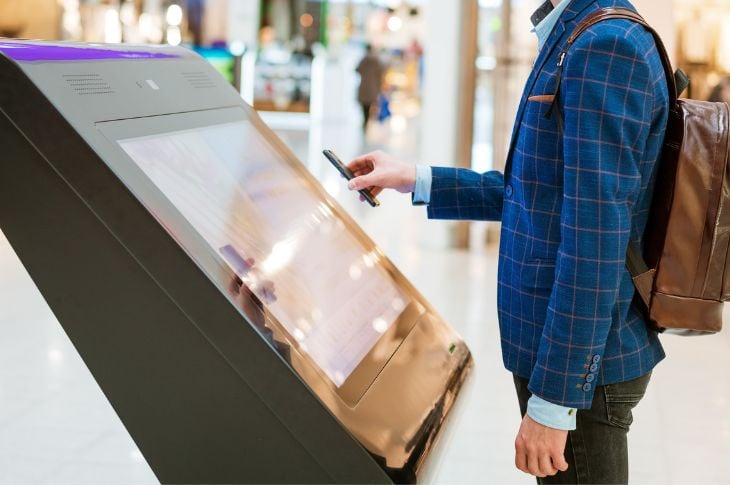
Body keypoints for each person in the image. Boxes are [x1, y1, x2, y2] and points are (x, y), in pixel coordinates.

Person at [346, 0, 669, 483]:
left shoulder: (605, 45)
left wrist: (557, 402)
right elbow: (535, 193)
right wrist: (414, 177)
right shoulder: (578, 32)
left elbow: (594, 239)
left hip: (584, 368)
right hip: (568, 351)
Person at [356, 44, 385, 130]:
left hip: (364, 87)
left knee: (364, 106)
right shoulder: (376, 61)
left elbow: (357, 69)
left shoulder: (364, 60)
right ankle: (366, 121)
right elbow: (381, 73)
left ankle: (364, 121)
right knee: (369, 106)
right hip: (373, 88)